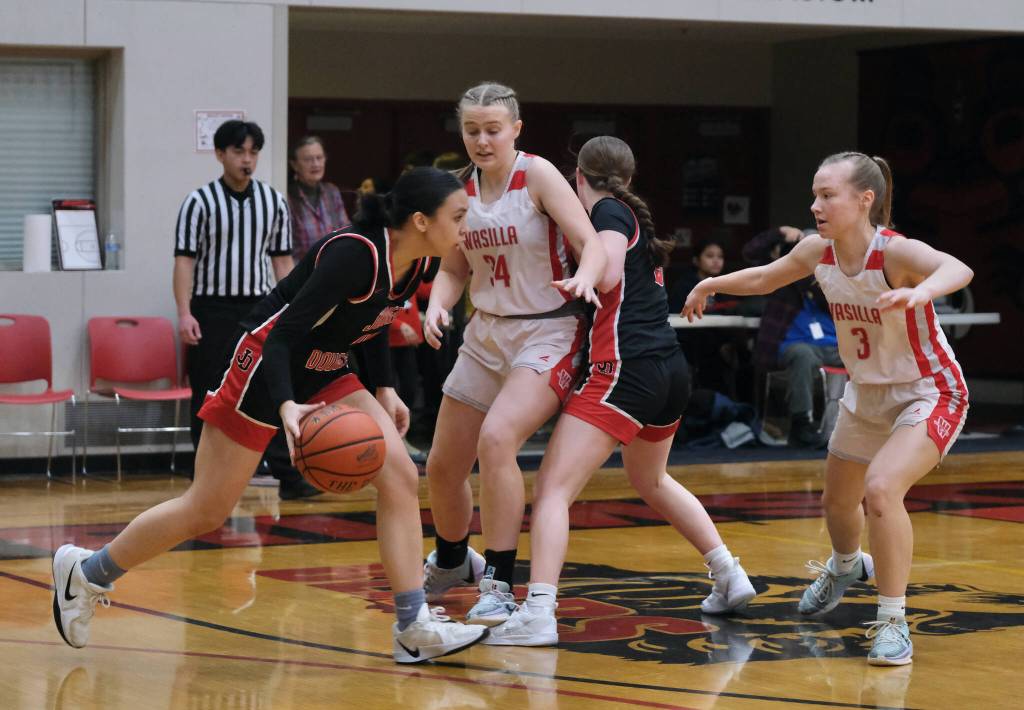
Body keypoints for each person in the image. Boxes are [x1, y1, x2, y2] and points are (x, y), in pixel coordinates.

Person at [53, 168, 489, 664]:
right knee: (206, 509)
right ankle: (87, 573)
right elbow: (281, 334)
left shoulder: (417, 261)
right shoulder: (355, 254)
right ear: (421, 221)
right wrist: (285, 404)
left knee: (400, 476)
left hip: (325, 367)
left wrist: (385, 387)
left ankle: (413, 626)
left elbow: (375, 320)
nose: (466, 226)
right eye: (458, 216)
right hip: (263, 367)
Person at [683, 151, 972, 665]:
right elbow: (766, 277)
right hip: (865, 395)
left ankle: (893, 621)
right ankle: (845, 565)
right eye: (814, 195)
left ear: (864, 200)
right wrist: (712, 282)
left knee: (881, 490)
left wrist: (923, 291)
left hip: (927, 391)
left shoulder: (895, 253)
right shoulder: (819, 251)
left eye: (827, 195)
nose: (815, 205)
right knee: (838, 505)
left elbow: (959, 268)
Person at [480, 136, 756, 646]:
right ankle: (729, 573)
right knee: (651, 479)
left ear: (577, 177)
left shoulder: (608, 211)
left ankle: (538, 611)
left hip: (624, 369)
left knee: (553, 490)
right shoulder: (631, 215)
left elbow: (605, 267)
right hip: (668, 369)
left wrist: (584, 278)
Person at [421, 82, 606, 625]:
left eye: (492, 130)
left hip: (548, 330)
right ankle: (453, 558)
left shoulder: (538, 175)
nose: (482, 140)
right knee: (442, 466)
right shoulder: (459, 189)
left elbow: (591, 243)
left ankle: (499, 584)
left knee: (498, 439)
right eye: (472, 131)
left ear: (515, 130)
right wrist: (436, 306)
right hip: (485, 334)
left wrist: (586, 278)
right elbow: (453, 269)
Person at [173, 120, 318, 500]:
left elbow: (283, 261)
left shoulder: (273, 202)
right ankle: (203, 482)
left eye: (253, 152)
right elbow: (184, 261)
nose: (247, 159)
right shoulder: (198, 202)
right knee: (208, 394)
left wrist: (295, 312)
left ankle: (288, 476)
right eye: (239, 151)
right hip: (211, 308)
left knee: (271, 387)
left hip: (260, 306)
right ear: (220, 154)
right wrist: (184, 312)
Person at [743, 226, 843, 447]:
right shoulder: (781, 278)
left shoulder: (831, 278)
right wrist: (779, 233)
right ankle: (801, 424)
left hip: (835, 346)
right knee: (803, 355)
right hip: (794, 347)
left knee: (867, 353)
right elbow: (750, 253)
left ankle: (871, 421)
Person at [668, 240, 744, 398]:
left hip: (721, 347)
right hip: (689, 347)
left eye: (720, 256)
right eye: (710, 256)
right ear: (696, 260)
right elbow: (677, 320)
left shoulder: (727, 286)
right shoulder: (684, 286)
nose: (716, 260)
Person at [287, 135, 350, 262]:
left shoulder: (332, 192)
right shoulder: (287, 197)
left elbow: (346, 233)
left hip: (334, 267)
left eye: (319, 158)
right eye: (308, 159)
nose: (315, 164)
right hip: (303, 272)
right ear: (294, 164)